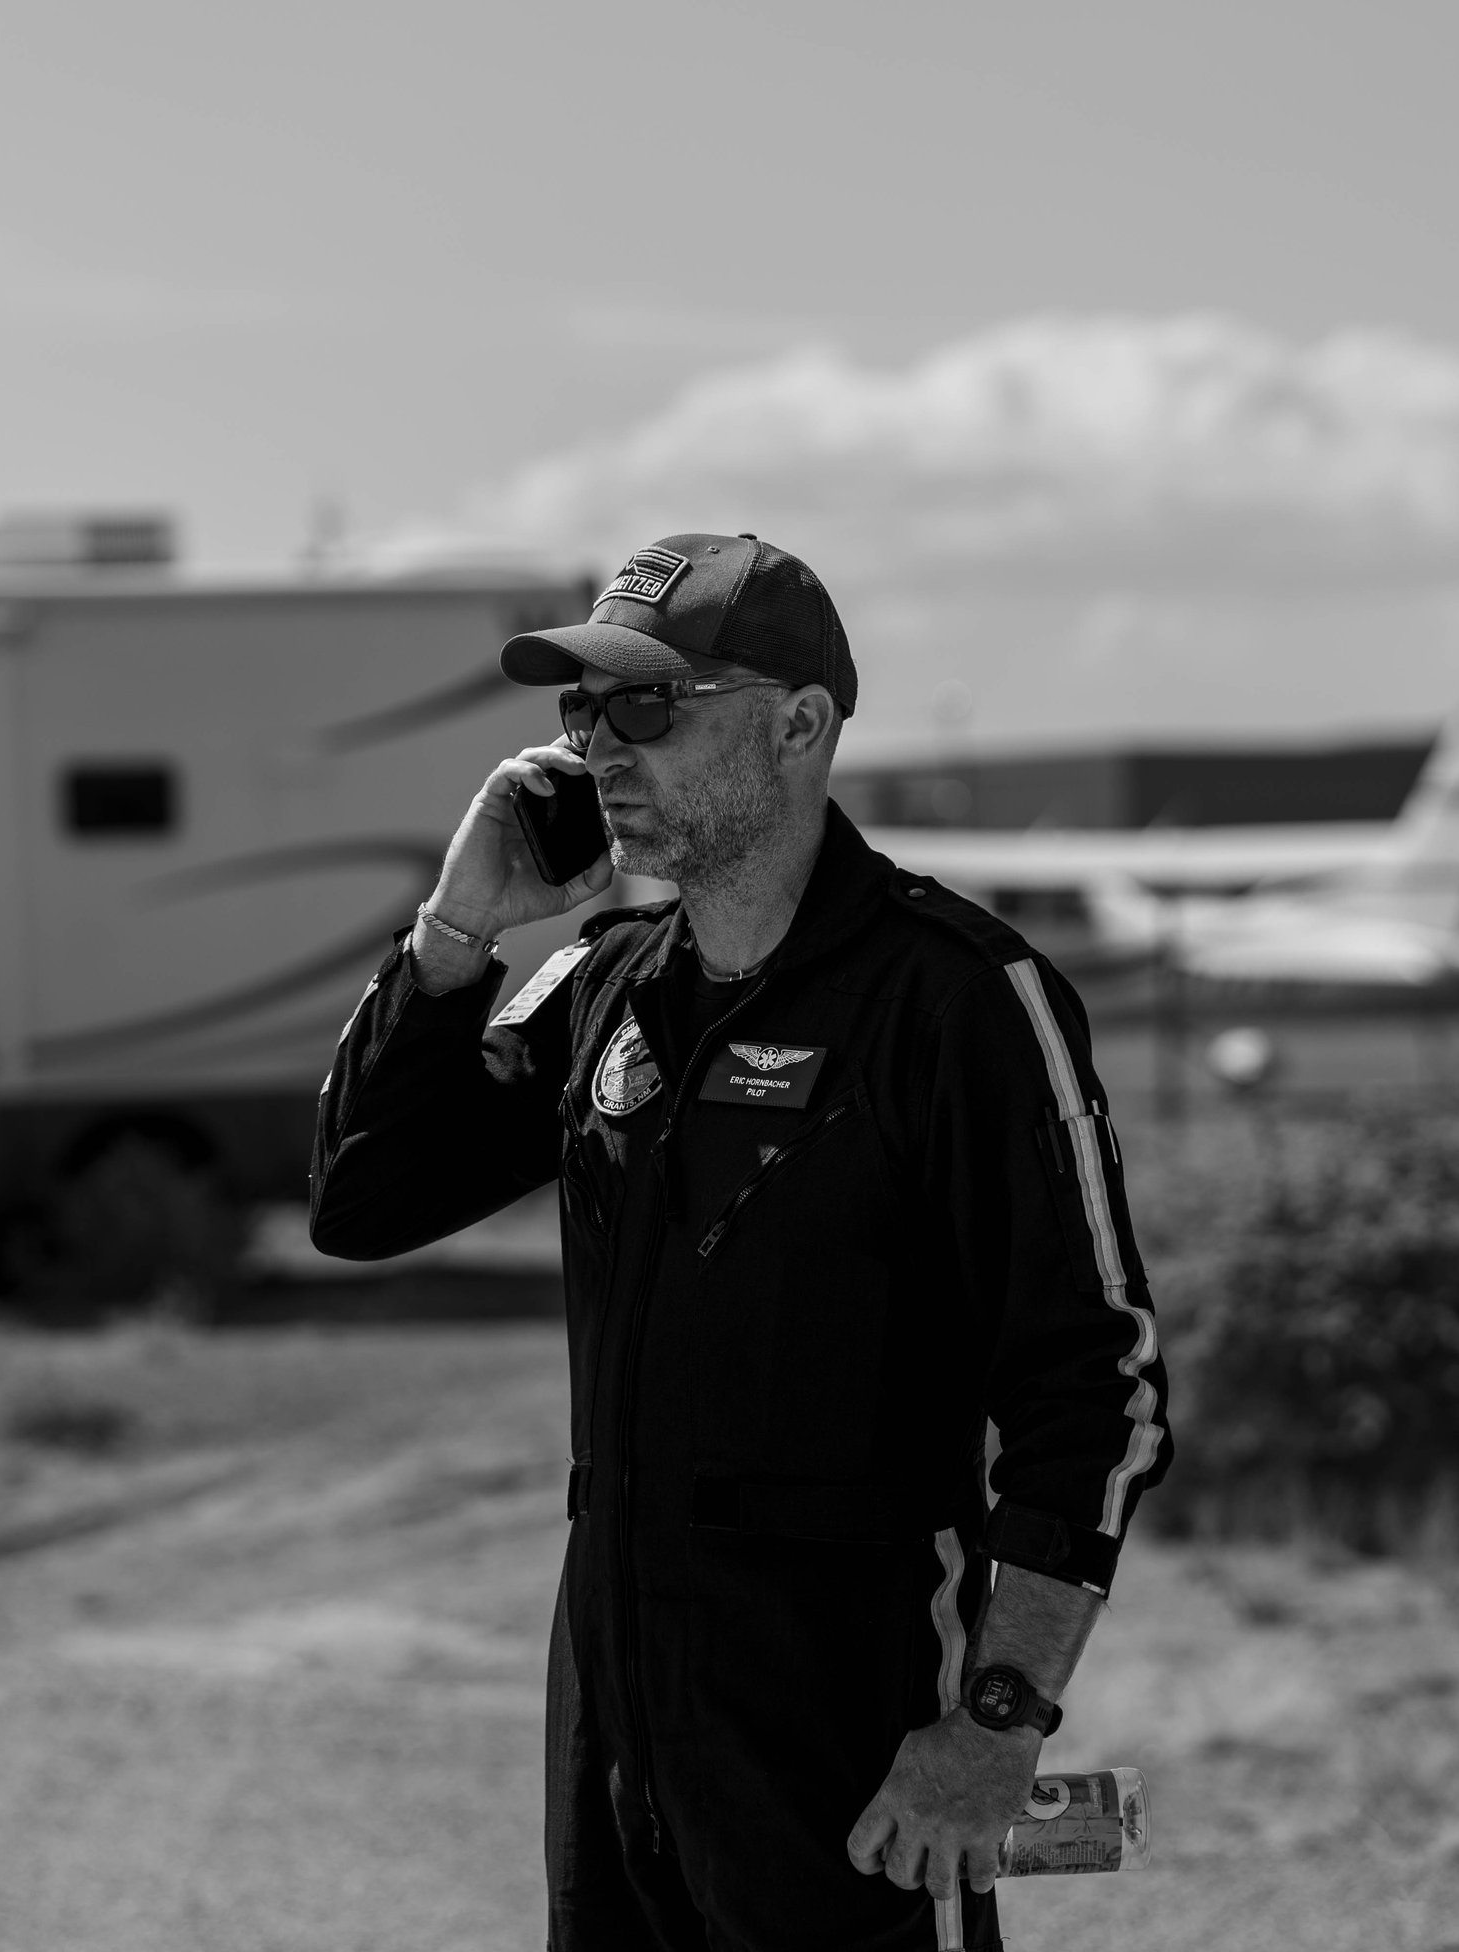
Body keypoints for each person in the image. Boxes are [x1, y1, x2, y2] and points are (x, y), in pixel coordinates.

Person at [309, 533, 1169, 1951]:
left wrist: (997, 1726)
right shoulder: (603, 984)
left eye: (646, 707)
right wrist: (459, 929)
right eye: (581, 715)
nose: (600, 752)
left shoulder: (957, 999)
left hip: (845, 1704)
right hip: (616, 1701)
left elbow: (1102, 1391)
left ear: (799, 724)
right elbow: (361, 1201)